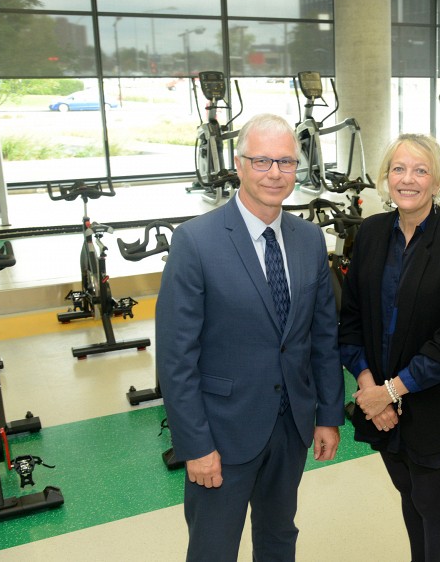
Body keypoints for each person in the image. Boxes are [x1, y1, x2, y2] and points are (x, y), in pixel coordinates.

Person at [156, 113, 344, 562]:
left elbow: (322, 337)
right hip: (222, 432)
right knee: (213, 548)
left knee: (279, 537)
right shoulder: (195, 242)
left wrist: (328, 415)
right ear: (238, 165)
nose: (275, 174)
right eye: (261, 161)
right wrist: (195, 445)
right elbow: (176, 357)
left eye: (285, 162)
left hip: (291, 425)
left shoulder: (310, 240)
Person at [339, 133, 440, 562]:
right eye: (398, 169)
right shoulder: (370, 234)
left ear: (437, 182)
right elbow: (350, 320)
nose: (408, 179)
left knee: (430, 501)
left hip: (429, 402)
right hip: (377, 404)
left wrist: (391, 392)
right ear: (386, 178)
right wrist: (370, 390)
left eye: (420, 170)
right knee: (408, 494)